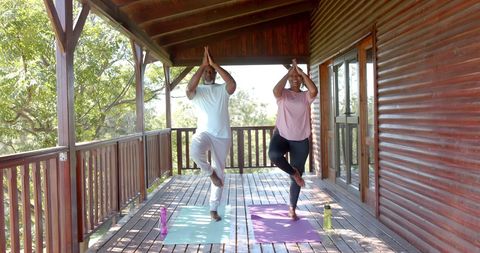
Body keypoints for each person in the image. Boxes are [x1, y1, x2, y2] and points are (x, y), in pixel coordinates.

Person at [186, 46, 236, 221]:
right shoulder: (198, 91)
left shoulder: (222, 89)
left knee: (220, 171)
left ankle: (213, 209)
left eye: (211, 71)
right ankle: (210, 173)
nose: (209, 73)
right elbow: (188, 89)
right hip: (205, 132)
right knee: (194, 150)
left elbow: (232, 84)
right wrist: (202, 66)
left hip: (222, 136)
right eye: (206, 71)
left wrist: (214, 64)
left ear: (214, 73)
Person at [268, 59, 318, 220]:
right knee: (274, 155)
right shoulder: (283, 94)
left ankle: (292, 208)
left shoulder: (305, 96)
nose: (295, 79)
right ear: (289, 78)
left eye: (298, 77)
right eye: (292, 77)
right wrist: (289, 72)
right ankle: (293, 173)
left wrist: (301, 72)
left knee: (297, 176)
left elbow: (314, 90)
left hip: (301, 139)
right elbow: (275, 89)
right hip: (282, 136)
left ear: (302, 79)